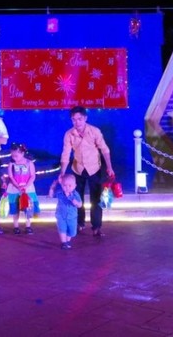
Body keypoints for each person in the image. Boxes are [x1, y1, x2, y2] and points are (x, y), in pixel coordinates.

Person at [60, 105, 115, 237]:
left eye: (79, 119)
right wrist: (62, 173)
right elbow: (66, 154)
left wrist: (109, 167)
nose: (77, 122)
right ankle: (79, 223)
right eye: (74, 119)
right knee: (77, 197)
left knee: (95, 199)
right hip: (77, 169)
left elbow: (105, 150)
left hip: (94, 169)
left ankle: (96, 227)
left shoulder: (95, 131)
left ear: (85, 118)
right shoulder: (69, 134)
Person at [5, 142, 40, 234]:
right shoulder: (11, 164)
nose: (14, 157)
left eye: (16, 155)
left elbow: (33, 176)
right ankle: (16, 226)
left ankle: (28, 226)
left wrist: (26, 186)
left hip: (28, 188)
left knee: (28, 207)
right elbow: (11, 176)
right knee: (15, 207)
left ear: (22, 153)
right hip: (14, 188)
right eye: (12, 155)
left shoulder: (29, 163)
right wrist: (17, 186)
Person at [48, 173, 83, 249]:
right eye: (65, 185)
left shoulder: (75, 194)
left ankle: (67, 241)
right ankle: (64, 243)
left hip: (72, 216)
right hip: (61, 215)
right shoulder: (60, 193)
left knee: (72, 231)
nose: (67, 187)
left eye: (70, 186)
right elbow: (51, 195)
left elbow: (80, 205)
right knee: (62, 228)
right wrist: (52, 187)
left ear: (75, 186)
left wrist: (76, 202)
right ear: (62, 185)